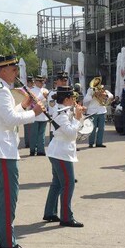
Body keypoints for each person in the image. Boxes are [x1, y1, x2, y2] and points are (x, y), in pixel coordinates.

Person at [0, 55, 43, 248]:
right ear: (4, 70)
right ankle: (8, 242)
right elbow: (9, 119)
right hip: (3, 147)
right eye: (14, 69)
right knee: (9, 195)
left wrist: (25, 106)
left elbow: (8, 114)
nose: (16, 73)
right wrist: (34, 113)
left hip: (1, 145)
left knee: (1, 194)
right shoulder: (0, 91)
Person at [43, 86, 85, 227]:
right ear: (66, 99)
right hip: (61, 152)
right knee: (68, 184)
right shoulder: (61, 114)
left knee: (57, 183)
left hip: (59, 151)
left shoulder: (64, 110)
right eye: (73, 98)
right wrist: (78, 119)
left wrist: (79, 115)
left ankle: (50, 212)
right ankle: (66, 217)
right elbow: (71, 134)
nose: (75, 100)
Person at [83, 76, 113, 148]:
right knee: (92, 128)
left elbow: (111, 96)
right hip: (93, 112)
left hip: (102, 111)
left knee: (101, 128)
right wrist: (93, 95)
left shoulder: (103, 90)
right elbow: (85, 101)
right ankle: (91, 143)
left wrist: (105, 95)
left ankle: (99, 143)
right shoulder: (90, 90)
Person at [47, 72, 69, 142]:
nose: (64, 82)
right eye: (62, 80)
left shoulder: (68, 91)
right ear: (57, 81)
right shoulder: (53, 93)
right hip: (57, 119)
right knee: (55, 142)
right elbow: (52, 108)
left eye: (65, 80)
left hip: (67, 119)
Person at [29, 75, 48, 156]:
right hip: (35, 115)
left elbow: (48, 103)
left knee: (42, 134)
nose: (41, 83)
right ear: (36, 82)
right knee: (34, 134)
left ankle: (41, 150)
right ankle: (32, 150)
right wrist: (42, 96)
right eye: (40, 81)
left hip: (43, 115)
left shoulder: (45, 90)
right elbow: (33, 101)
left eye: (42, 81)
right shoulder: (31, 90)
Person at [23, 75, 35, 149]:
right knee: (27, 127)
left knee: (31, 127)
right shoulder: (24, 90)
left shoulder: (26, 89)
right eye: (31, 82)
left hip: (31, 109)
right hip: (26, 108)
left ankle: (30, 142)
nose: (32, 83)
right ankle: (27, 142)